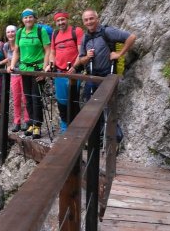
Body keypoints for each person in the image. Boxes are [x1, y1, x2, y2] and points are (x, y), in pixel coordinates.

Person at [75, 9, 136, 143]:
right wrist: (87, 57)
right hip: (92, 76)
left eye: (91, 18)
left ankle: (114, 138)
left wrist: (119, 54)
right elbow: (81, 60)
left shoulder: (107, 31)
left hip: (107, 75)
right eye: (86, 20)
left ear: (97, 19)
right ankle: (96, 136)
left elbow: (131, 37)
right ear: (83, 22)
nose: (89, 22)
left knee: (108, 107)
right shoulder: (85, 38)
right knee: (90, 106)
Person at [8, 8, 51, 139]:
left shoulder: (41, 31)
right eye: (25, 17)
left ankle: (37, 125)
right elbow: (17, 51)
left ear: (34, 18)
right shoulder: (19, 32)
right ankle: (31, 123)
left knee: (36, 97)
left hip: (37, 69)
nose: (28, 19)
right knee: (27, 97)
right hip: (24, 69)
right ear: (22, 20)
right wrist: (12, 65)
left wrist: (44, 70)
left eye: (30, 17)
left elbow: (48, 50)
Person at [46, 11, 83, 133]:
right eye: (58, 21)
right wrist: (51, 65)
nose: (61, 22)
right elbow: (52, 52)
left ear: (67, 19)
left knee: (74, 99)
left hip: (74, 73)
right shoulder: (55, 34)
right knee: (61, 100)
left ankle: (75, 126)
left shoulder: (76, 31)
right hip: (59, 72)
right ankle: (64, 125)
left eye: (63, 19)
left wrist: (75, 67)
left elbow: (81, 52)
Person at [4, 24, 30, 133]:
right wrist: (8, 67)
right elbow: (8, 59)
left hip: (23, 73)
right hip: (14, 75)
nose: (10, 34)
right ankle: (17, 122)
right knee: (16, 99)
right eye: (8, 32)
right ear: (6, 34)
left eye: (12, 31)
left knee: (25, 98)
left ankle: (27, 121)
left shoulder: (21, 43)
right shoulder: (6, 46)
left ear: (16, 33)